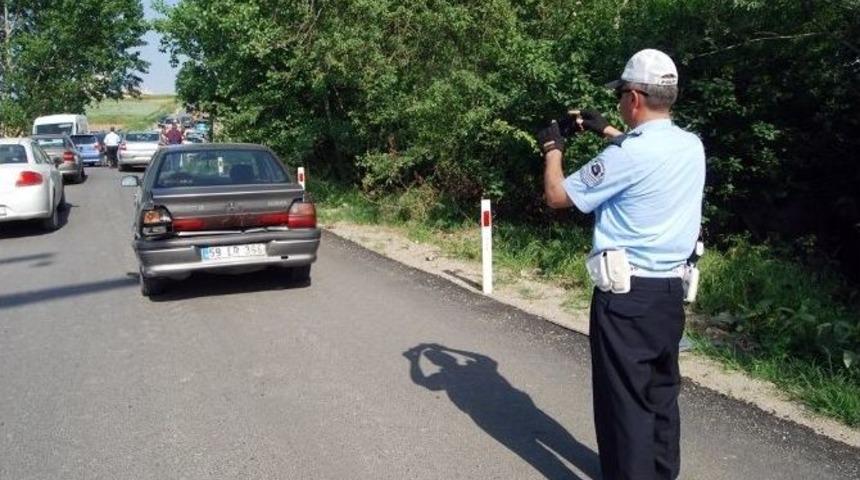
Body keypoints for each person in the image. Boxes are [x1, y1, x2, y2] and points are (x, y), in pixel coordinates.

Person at [538, 49, 705, 480]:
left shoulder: (626, 156)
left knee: (624, 406)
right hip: (670, 295)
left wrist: (552, 148)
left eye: (620, 98)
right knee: (660, 395)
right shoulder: (691, 147)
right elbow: (644, 155)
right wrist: (605, 130)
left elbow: (558, 196)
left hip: (626, 299)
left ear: (634, 97)